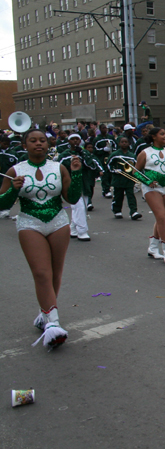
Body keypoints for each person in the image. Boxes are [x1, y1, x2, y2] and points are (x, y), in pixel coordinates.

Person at [0, 129, 84, 348]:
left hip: (58, 222)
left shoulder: (59, 167)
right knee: (41, 272)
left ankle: (44, 313)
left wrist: (76, 173)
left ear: (48, 145)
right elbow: (2, 204)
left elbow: (72, 198)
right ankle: (53, 324)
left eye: (42, 140)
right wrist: (13, 191)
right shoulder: (15, 170)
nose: (38, 143)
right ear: (24, 145)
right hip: (29, 223)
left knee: (55, 273)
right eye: (33, 140)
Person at [134, 127, 165, 264]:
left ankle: (153, 248)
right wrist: (147, 180)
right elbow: (135, 171)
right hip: (150, 188)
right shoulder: (145, 153)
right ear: (154, 137)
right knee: (161, 217)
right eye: (162, 134)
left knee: (162, 218)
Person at [57, 134, 102, 241]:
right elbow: (59, 169)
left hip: (85, 183)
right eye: (73, 139)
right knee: (79, 207)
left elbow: (92, 165)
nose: (75, 141)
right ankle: (82, 231)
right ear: (69, 141)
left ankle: (72, 229)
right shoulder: (64, 155)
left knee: (82, 207)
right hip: (71, 183)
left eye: (77, 139)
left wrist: (83, 154)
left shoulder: (85, 153)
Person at [108, 137, 142, 220]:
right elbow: (109, 165)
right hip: (118, 179)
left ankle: (133, 212)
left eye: (126, 142)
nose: (124, 143)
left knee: (131, 195)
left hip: (129, 180)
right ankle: (117, 211)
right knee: (118, 196)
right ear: (119, 143)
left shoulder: (132, 155)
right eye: (122, 142)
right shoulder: (115, 154)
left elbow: (136, 166)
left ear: (129, 144)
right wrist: (114, 170)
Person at [92, 123, 117, 198]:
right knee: (105, 174)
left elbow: (115, 146)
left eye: (105, 128)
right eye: (103, 128)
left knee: (110, 174)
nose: (105, 129)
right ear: (100, 129)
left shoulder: (111, 137)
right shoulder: (97, 139)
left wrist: (112, 151)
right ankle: (106, 190)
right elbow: (94, 150)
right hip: (102, 158)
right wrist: (103, 150)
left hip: (110, 157)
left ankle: (108, 188)